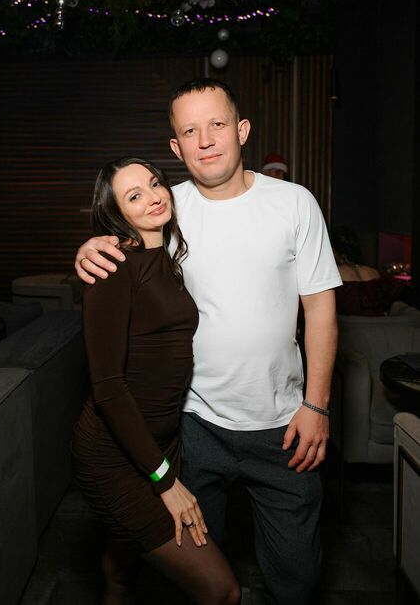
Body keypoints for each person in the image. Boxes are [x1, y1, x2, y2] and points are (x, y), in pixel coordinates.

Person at [75, 79, 342, 605]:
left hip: (284, 426)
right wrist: (89, 247)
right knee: (197, 577)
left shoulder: (294, 203)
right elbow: (119, 245)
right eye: (190, 131)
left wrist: (317, 405)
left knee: (297, 577)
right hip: (192, 427)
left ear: (241, 130)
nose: (205, 141)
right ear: (176, 147)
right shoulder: (165, 206)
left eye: (217, 124)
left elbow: (320, 309)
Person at [71, 157, 241, 605]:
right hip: (114, 454)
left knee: (123, 570)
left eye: (154, 183)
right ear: (116, 213)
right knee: (222, 591)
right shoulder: (112, 269)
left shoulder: (164, 258)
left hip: (159, 443)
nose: (153, 197)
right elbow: (108, 388)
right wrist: (165, 481)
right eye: (134, 195)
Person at [332, 226, 408, 316]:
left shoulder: (335, 274)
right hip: (380, 322)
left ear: (334, 251)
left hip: (351, 323)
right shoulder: (374, 272)